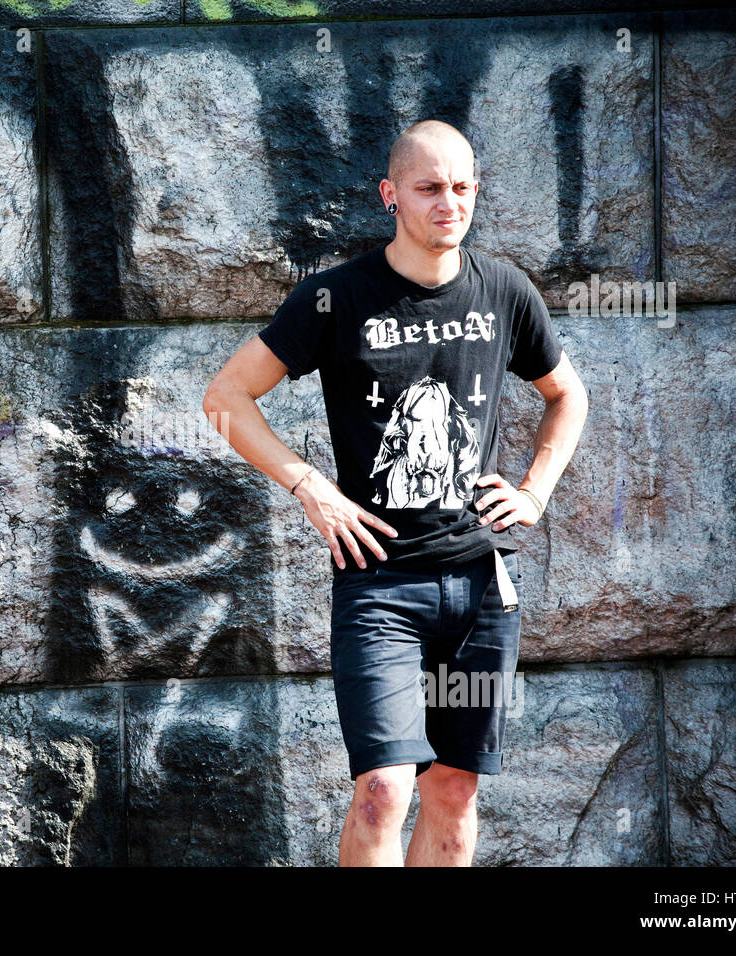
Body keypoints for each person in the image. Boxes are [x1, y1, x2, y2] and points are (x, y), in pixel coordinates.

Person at [203, 120, 588, 866]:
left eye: (463, 186)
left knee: (453, 787)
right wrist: (310, 486)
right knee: (384, 786)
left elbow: (565, 395)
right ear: (391, 196)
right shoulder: (336, 298)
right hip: (379, 584)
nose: (450, 202)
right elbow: (226, 398)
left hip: (480, 586)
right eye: (430, 187)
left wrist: (535, 490)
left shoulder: (505, 291)